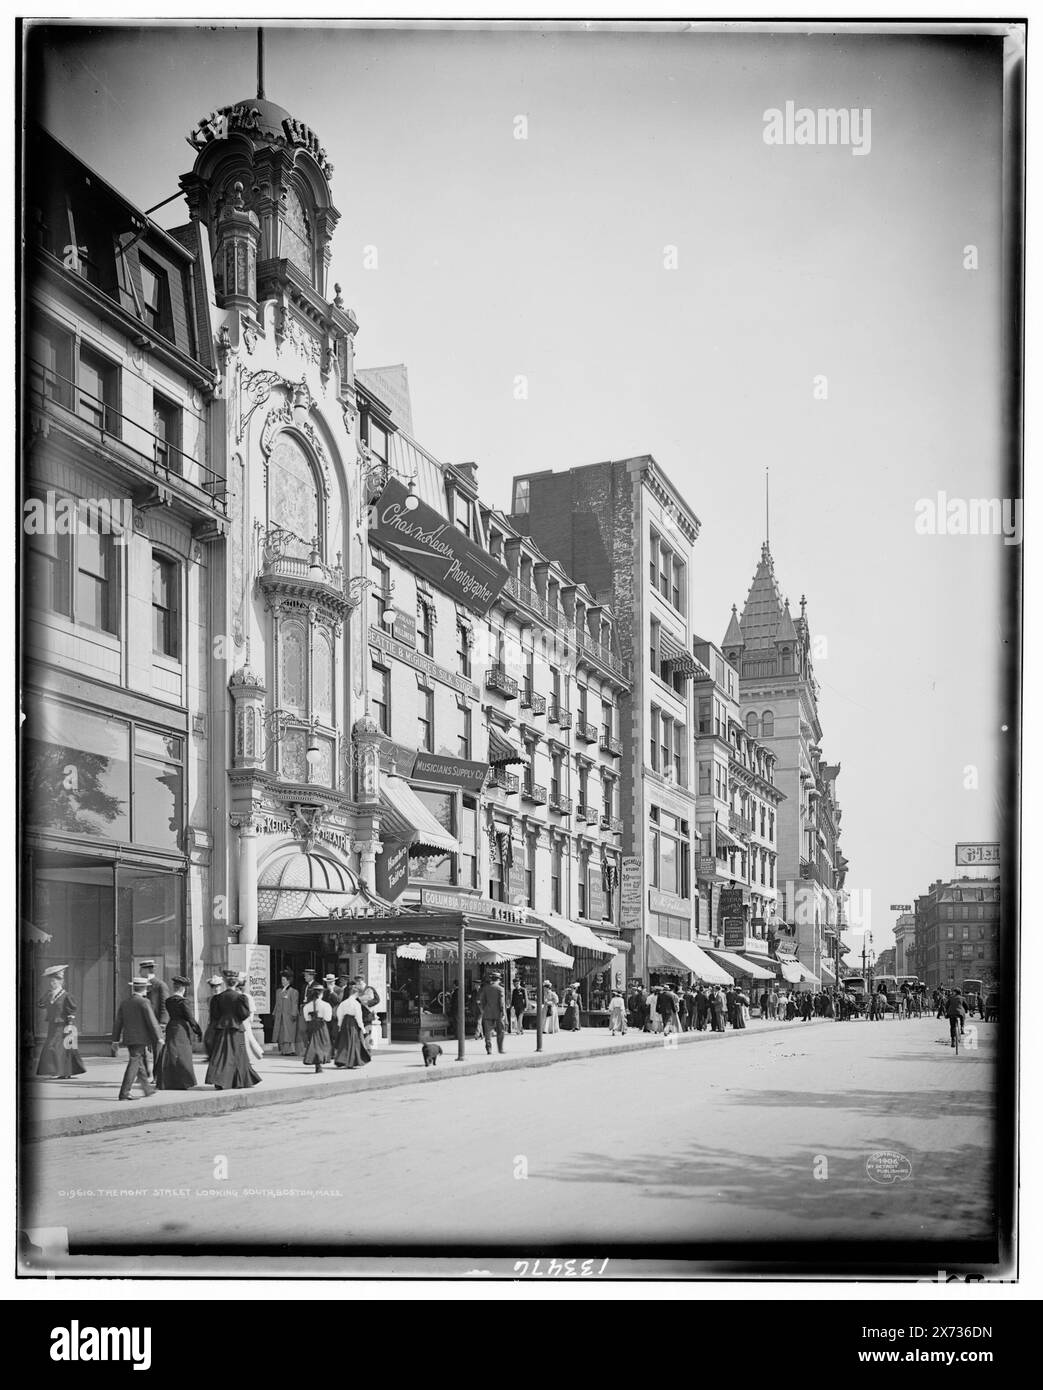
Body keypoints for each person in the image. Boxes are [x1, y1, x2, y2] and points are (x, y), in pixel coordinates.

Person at [205, 974, 261, 1089]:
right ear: (235, 984)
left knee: (222, 1054)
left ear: (225, 984)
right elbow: (245, 1014)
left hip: (222, 1029)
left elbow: (215, 1015)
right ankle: (241, 1080)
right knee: (240, 1054)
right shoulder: (240, 997)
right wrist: (237, 1019)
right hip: (237, 1030)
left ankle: (220, 1080)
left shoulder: (218, 998)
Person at [111, 977, 162, 1100]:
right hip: (140, 1039)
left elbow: (118, 1023)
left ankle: (147, 1089)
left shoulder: (125, 1002)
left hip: (129, 1039)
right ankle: (124, 1092)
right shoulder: (144, 1002)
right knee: (134, 1063)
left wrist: (115, 1040)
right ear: (144, 988)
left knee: (139, 1063)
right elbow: (152, 1021)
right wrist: (159, 1037)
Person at [35, 965, 87, 1079]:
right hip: (52, 1025)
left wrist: (70, 1025)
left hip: (63, 1025)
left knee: (53, 1047)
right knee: (64, 1048)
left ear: (60, 982)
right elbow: (40, 1004)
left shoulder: (66, 995)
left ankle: (57, 1071)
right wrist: (46, 994)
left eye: (54, 981)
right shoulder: (50, 994)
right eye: (51, 982)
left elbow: (72, 1010)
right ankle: (65, 1072)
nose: (51, 984)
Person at [155, 976, 202, 1090]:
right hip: (181, 1028)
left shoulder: (168, 1001)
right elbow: (190, 1018)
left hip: (171, 1026)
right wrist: (198, 1031)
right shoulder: (184, 1002)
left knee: (170, 1051)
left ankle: (166, 1080)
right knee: (183, 1053)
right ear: (183, 988)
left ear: (174, 986)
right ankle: (183, 1080)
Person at [334, 983, 372, 1069]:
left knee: (344, 1042)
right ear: (357, 993)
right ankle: (351, 1061)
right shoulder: (356, 1004)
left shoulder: (343, 1003)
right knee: (353, 1042)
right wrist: (362, 1028)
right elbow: (358, 1017)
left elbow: (340, 1014)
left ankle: (342, 1060)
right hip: (352, 1023)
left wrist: (340, 1025)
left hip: (344, 1022)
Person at [301, 986, 333, 1073]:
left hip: (311, 1025)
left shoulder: (307, 1006)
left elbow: (307, 1019)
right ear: (321, 994)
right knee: (322, 1044)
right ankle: (319, 1063)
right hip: (321, 1026)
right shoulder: (326, 1005)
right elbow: (328, 1018)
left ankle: (317, 1064)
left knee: (313, 1044)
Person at [236, 973, 266, 1064]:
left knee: (248, 1037)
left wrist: (250, 1018)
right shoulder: (243, 996)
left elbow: (252, 1009)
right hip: (243, 1019)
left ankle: (256, 1053)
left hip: (245, 1019)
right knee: (248, 1037)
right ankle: (257, 1052)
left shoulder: (247, 997)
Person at [479, 971, 508, 1055]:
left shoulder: (485, 988)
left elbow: (482, 1001)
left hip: (487, 1013)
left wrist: (484, 1009)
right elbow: (501, 1002)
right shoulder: (500, 989)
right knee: (500, 1031)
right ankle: (500, 1049)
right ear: (498, 980)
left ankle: (489, 1049)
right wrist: (503, 1013)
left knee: (487, 1033)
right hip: (498, 1013)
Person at [271, 971, 299, 1055]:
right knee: (281, 1033)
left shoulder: (294, 991)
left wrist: (294, 1014)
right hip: (280, 1016)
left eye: (283, 979)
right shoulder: (278, 991)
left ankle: (290, 1050)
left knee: (289, 1033)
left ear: (288, 981)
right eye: (282, 979)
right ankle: (283, 1050)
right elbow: (276, 1004)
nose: (282, 981)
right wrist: (274, 1013)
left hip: (289, 1016)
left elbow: (295, 1003)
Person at [296, 969, 318, 1057]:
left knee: (311, 1029)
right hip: (303, 1008)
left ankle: (311, 1048)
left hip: (312, 1009)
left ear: (311, 976)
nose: (305, 977)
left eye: (306, 975)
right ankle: (305, 1047)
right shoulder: (304, 986)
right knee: (302, 1029)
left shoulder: (316, 985)